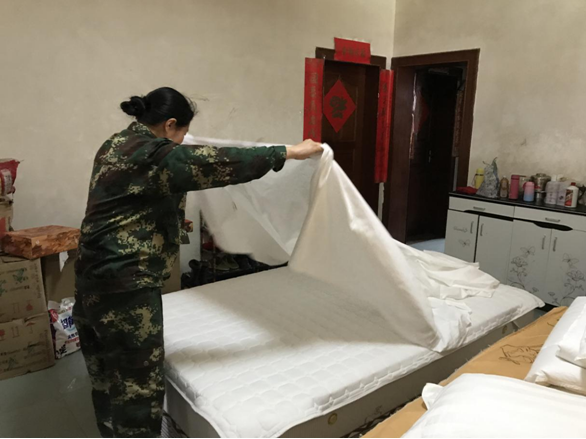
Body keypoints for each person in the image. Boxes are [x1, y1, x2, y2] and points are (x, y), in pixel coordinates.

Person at [73, 86, 322, 438]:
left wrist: (169, 219)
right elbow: (217, 163)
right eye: (182, 133)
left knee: (104, 374)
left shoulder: (116, 143)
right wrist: (289, 152)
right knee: (137, 386)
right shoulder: (154, 154)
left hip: (90, 277)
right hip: (125, 285)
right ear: (169, 124)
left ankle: (110, 432)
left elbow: (129, 197)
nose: (183, 141)